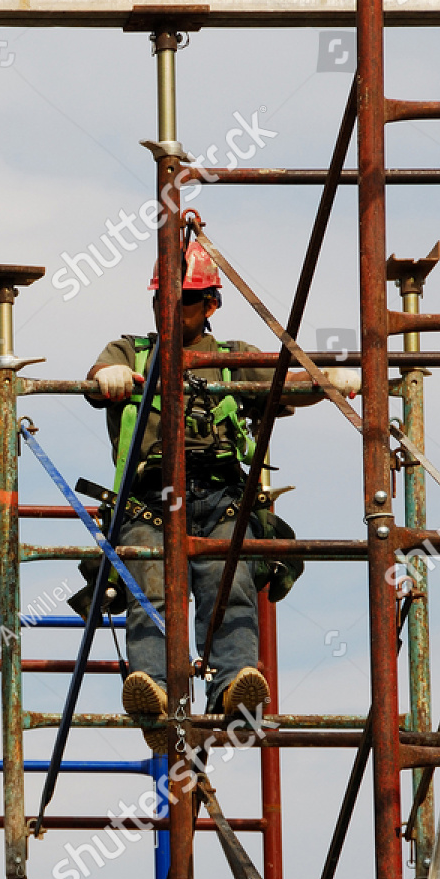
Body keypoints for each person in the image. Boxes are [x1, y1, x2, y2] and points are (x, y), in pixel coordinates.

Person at [84, 242, 355, 741]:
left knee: (228, 580)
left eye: (182, 299)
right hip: (151, 500)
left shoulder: (233, 360)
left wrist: (322, 382)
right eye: (162, 297)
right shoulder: (131, 352)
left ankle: (233, 687)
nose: (168, 307)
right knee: (149, 576)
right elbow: (97, 378)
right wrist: (110, 379)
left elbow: (282, 385)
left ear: (210, 305)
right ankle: (156, 690)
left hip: (220, 495)